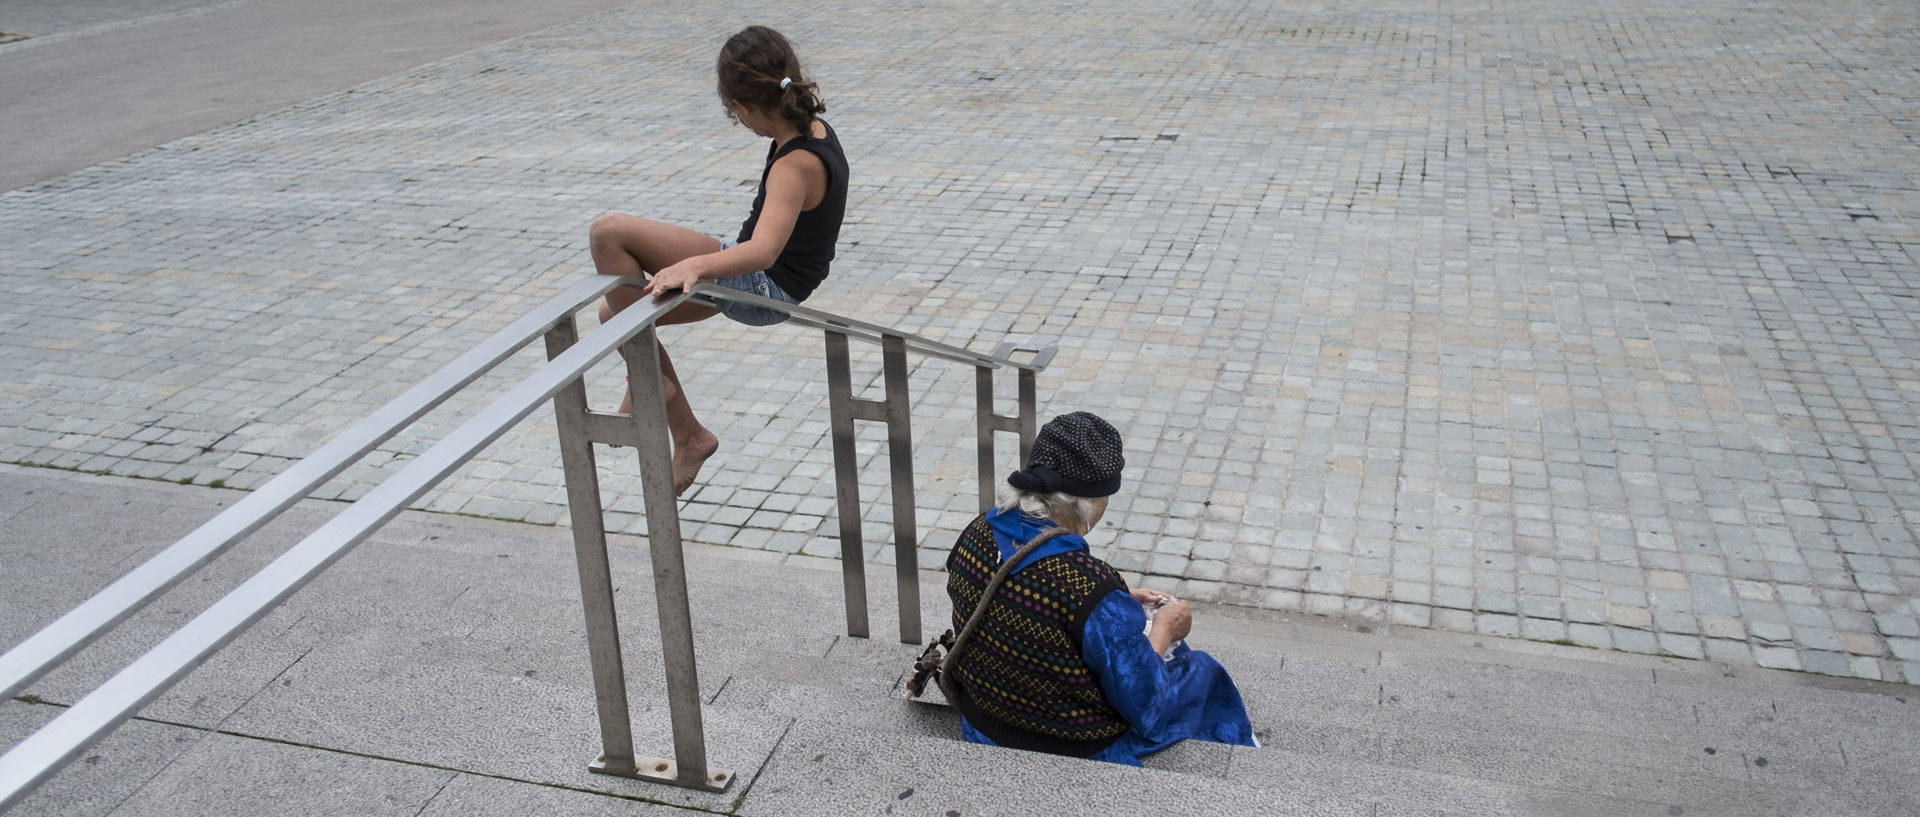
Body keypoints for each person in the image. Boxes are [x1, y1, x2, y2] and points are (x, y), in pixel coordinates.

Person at [588, 25, 849, 495]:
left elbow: (765, 250)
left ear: (746, 106)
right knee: (613, 312)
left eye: (736, 113)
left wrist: (698, 266)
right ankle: (688, 433)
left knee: (609, 233)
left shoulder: (794, 165)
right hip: (765, 275)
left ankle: (647, 378)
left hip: (764, 287)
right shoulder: (811, 126)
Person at [943, 412, 1257, 765]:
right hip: (1068, 745)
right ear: (1090, 502)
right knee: (1201, 670)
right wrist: (1166, 627)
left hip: (986, 719)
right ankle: (1242, 758)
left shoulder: (977, 532)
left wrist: (1114, 602)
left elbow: (1027, 596)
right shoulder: (1089, 586)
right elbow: (1144, 701)